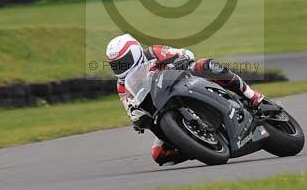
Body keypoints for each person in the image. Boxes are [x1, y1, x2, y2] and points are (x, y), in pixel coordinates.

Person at [105, 33, 265, 166]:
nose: (121, 67)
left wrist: (181, 59)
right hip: (161, 107)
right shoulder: (122, 85)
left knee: (205, 65)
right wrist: (136, 119)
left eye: (124, 62)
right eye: (116, 65)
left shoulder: (153, 53)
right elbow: (130, 108)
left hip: (184, 82)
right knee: (159, 155)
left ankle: (250, 94)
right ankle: (199, 144)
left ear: (136, 52)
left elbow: (185, 53)